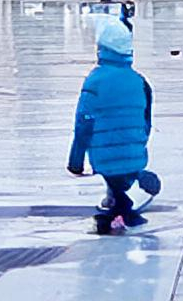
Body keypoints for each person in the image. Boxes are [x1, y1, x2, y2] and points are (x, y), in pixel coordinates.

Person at [67, 16, 157, 234]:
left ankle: (119, 213)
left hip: (104, 155)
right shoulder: (139, 80)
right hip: (134, 152)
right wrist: (137, 145)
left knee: (115, 181)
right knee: (120, 178)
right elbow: (147, 120)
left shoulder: (94, 81)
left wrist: (75, 161)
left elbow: (83, 123)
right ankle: (127, 194)